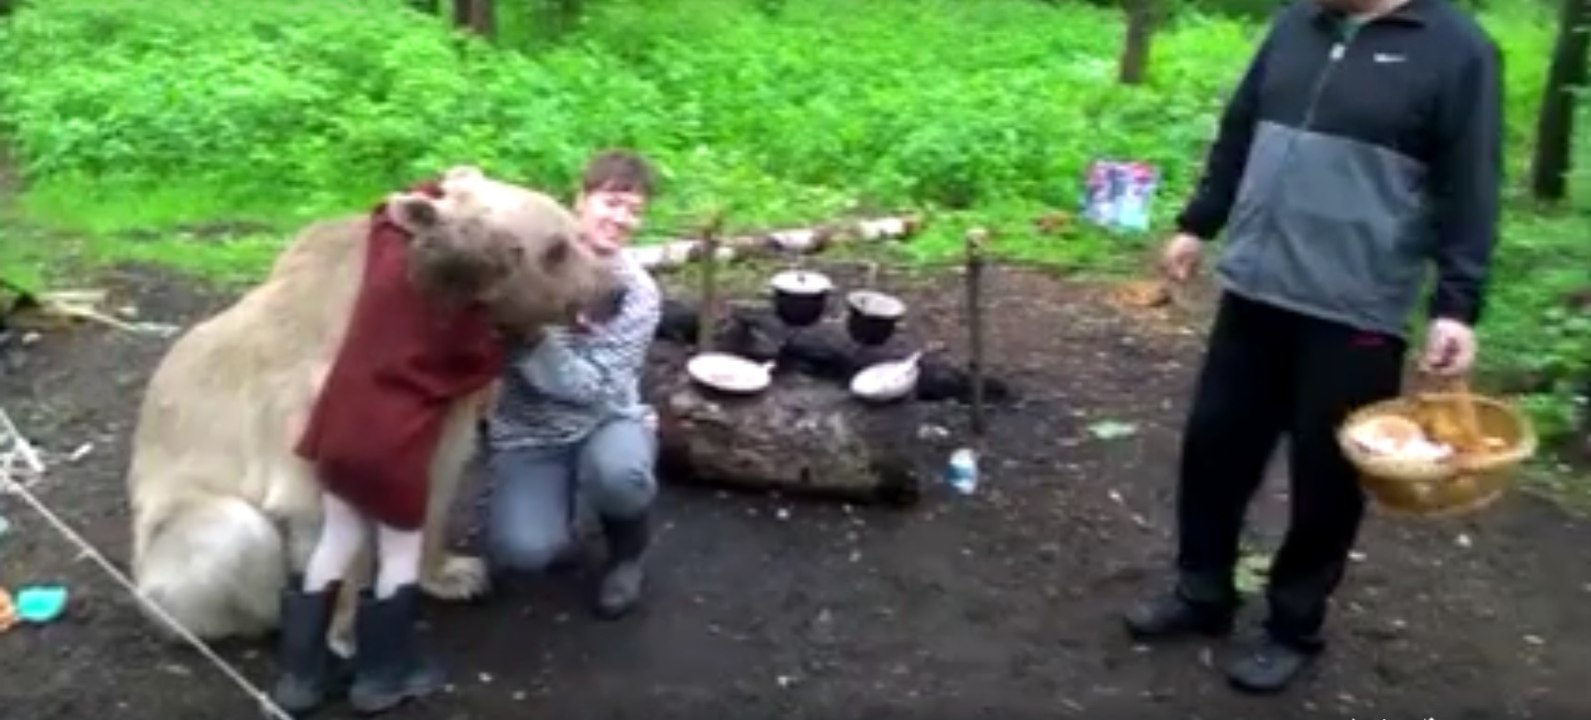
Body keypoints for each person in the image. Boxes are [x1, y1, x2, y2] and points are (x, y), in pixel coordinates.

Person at [1123, 0, 1502, 695]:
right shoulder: (1295, 25)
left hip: (1355, 305)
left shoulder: (1456, 49)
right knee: (1215, 443)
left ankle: (1292, 624)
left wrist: (1456, 305)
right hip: (1254, 287)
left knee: (1326, 474)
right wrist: (1197, 223)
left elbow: (1469, 185)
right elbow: (1240, 132)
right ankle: (1202, 590)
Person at [482, 149, 663, 619]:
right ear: (579, 200)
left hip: (604, 419)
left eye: (634, 211)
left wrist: (530, 335)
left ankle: (628, 553)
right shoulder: (524, 266)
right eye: (611, 202)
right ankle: (553, 529)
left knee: (620, 477)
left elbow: (593, 390)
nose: (621, 218)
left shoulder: (637, 293)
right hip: (529, 431)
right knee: (523, 552)